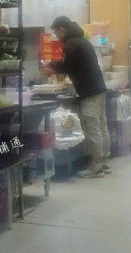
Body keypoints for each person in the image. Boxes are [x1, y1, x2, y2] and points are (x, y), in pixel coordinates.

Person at [47, 16, 110, 178]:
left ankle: (96, 167)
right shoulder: (82, 40)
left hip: (89, 91)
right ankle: (103, 161)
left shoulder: (71, 44)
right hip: (98, 88)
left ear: (62, 29)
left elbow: (66, 66)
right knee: (101, 125)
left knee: (92, 127)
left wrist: (50, 64)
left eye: (56, 31)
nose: (55, 35)